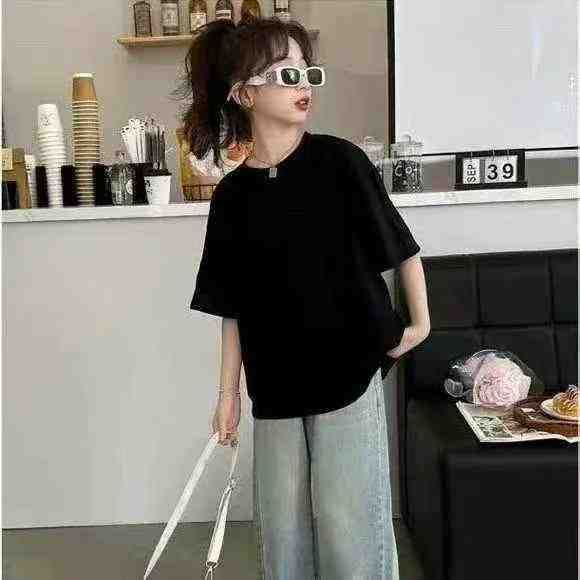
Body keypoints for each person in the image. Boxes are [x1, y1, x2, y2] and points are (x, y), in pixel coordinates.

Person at [180, 16, 431, 580]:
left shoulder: (341, 162)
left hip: (348, 375)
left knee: (352, 531)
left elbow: (401, 248)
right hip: (274, 387)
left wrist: (420, 324)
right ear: (244, 93)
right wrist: (227, 394)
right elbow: (231, 305)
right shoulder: (232, 198)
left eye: (308, 72)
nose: (304, 85)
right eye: (286, 74)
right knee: (283, 536)